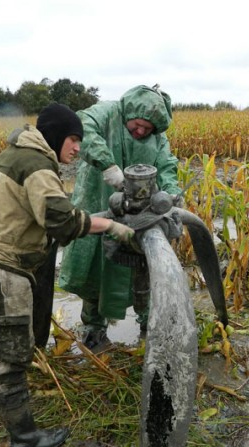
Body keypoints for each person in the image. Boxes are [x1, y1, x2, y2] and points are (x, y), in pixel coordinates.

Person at [0, 103, 134, 447]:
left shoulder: (17, 152)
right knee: (10, 353)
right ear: (55, 135)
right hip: (3, 268)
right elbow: (63, 222)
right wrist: (111, 225)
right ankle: (24, 437)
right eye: (73, 139)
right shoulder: (38, 166)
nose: (77, 148)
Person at [58, 85, 182, 348]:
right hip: (97, 201)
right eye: (138, 125)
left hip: (141, 215)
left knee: (145, 268)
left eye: (147, 130)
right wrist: (107, 164)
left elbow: (167, 165)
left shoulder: (158, 138)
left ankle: (151, 327)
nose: (141, 131)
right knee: (95, 272)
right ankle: (94, 330)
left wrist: (170, 194)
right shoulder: (106, 113)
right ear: (130, 113)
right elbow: (81, 125)